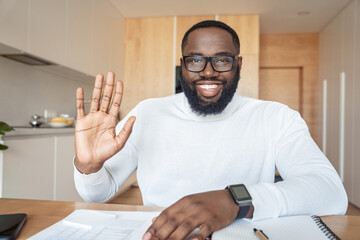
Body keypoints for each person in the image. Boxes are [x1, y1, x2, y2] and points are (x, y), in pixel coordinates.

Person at [74, 20, 348, 240]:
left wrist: (235, 200)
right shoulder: (147, 113)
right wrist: (89, 166)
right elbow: (96, 194)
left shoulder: (277, 117)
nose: (208, 72)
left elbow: (331, 194)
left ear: (238, 65)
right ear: (183, 65)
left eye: (222, 60)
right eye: (195, 60)